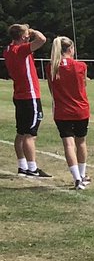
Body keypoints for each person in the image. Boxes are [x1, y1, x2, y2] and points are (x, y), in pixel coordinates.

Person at [5, 23, 52, 179]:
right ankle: (32, 168)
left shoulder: (8, 50)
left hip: (19, 95)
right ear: (22, 36)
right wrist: (32, 32)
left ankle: (22, 166)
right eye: (25, 34)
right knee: (30, 134)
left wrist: (24, 34)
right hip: (29, 95)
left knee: (21, 132)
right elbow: (42, 39)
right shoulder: (21, 50)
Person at [48, 36, 92, 189]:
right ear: (70, 49)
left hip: (62, 110)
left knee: (68, 144)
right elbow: (83, 85)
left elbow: (51, 91)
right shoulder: (81, 66)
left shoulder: (52, 67)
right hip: (80, 109)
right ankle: (82, 174)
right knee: (81, 141)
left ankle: (77, 178)